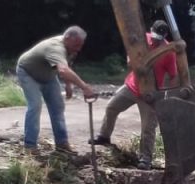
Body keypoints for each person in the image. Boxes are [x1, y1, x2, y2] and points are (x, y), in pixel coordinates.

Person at [92, 20, 178, 170]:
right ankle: (104, 136)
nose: (156, 41)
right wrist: (130, 60)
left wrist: (166, 95)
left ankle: (145, 159)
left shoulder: (168, 52)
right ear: (151, 31)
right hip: (131, 87)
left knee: (148, 127)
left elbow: (173, 75)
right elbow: (130, 51)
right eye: (155, 37)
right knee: (111, 107)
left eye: (159, 39)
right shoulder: (142, 39)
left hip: (150, 94)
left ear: (165, 36)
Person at [16, 26, 97, 153]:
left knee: (58, 107)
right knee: (35, 105)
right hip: (28, 73)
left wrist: (68, 85)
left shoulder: (70, 48)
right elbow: (63, 70)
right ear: (67, 38)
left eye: (81, 45)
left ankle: (62, 144)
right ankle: (30, 146)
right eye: (76, 44)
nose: (79, 49)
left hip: (48, 76)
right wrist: (84, 87)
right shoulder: (55, 47)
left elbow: (67, 65)